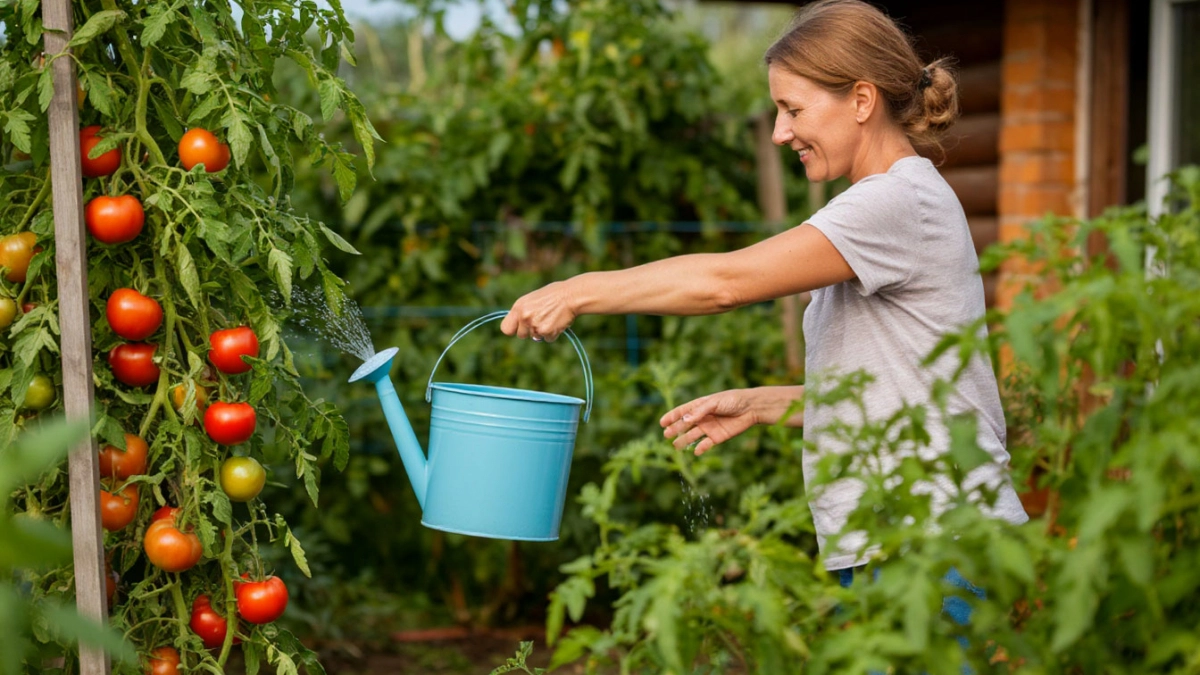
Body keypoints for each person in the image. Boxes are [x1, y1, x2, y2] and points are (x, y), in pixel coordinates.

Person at [500, 0, 1028, 579]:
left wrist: (579, 290)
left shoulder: (893, 203)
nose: (780, 133)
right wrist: (762, 404)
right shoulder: (886, 204)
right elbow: (895, 388)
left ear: (860, 99)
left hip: (933, 542)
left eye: (792, 109)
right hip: (910, 538)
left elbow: (725, 283)